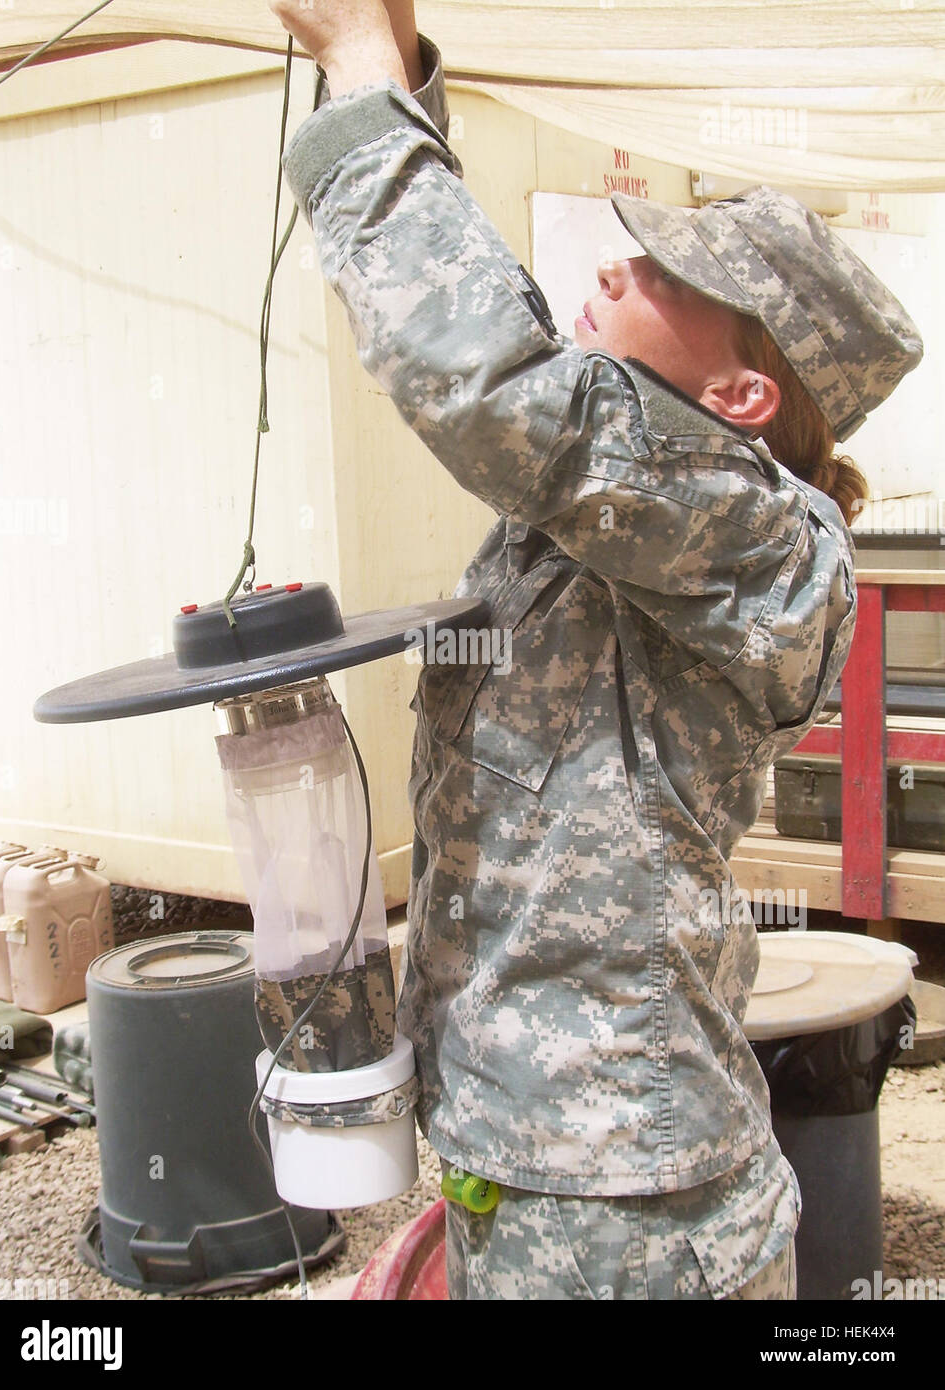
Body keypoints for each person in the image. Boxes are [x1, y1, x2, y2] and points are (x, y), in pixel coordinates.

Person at [268, 0, 923, 1299]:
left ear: (739, 400)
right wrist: (394, 78)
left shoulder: (763, 542)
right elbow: (496, 346)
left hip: (628, 1207)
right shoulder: (604, 521)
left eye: (669, 280)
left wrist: (353, 69)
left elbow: (493, 383)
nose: (617, 267)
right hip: (529, 1151)